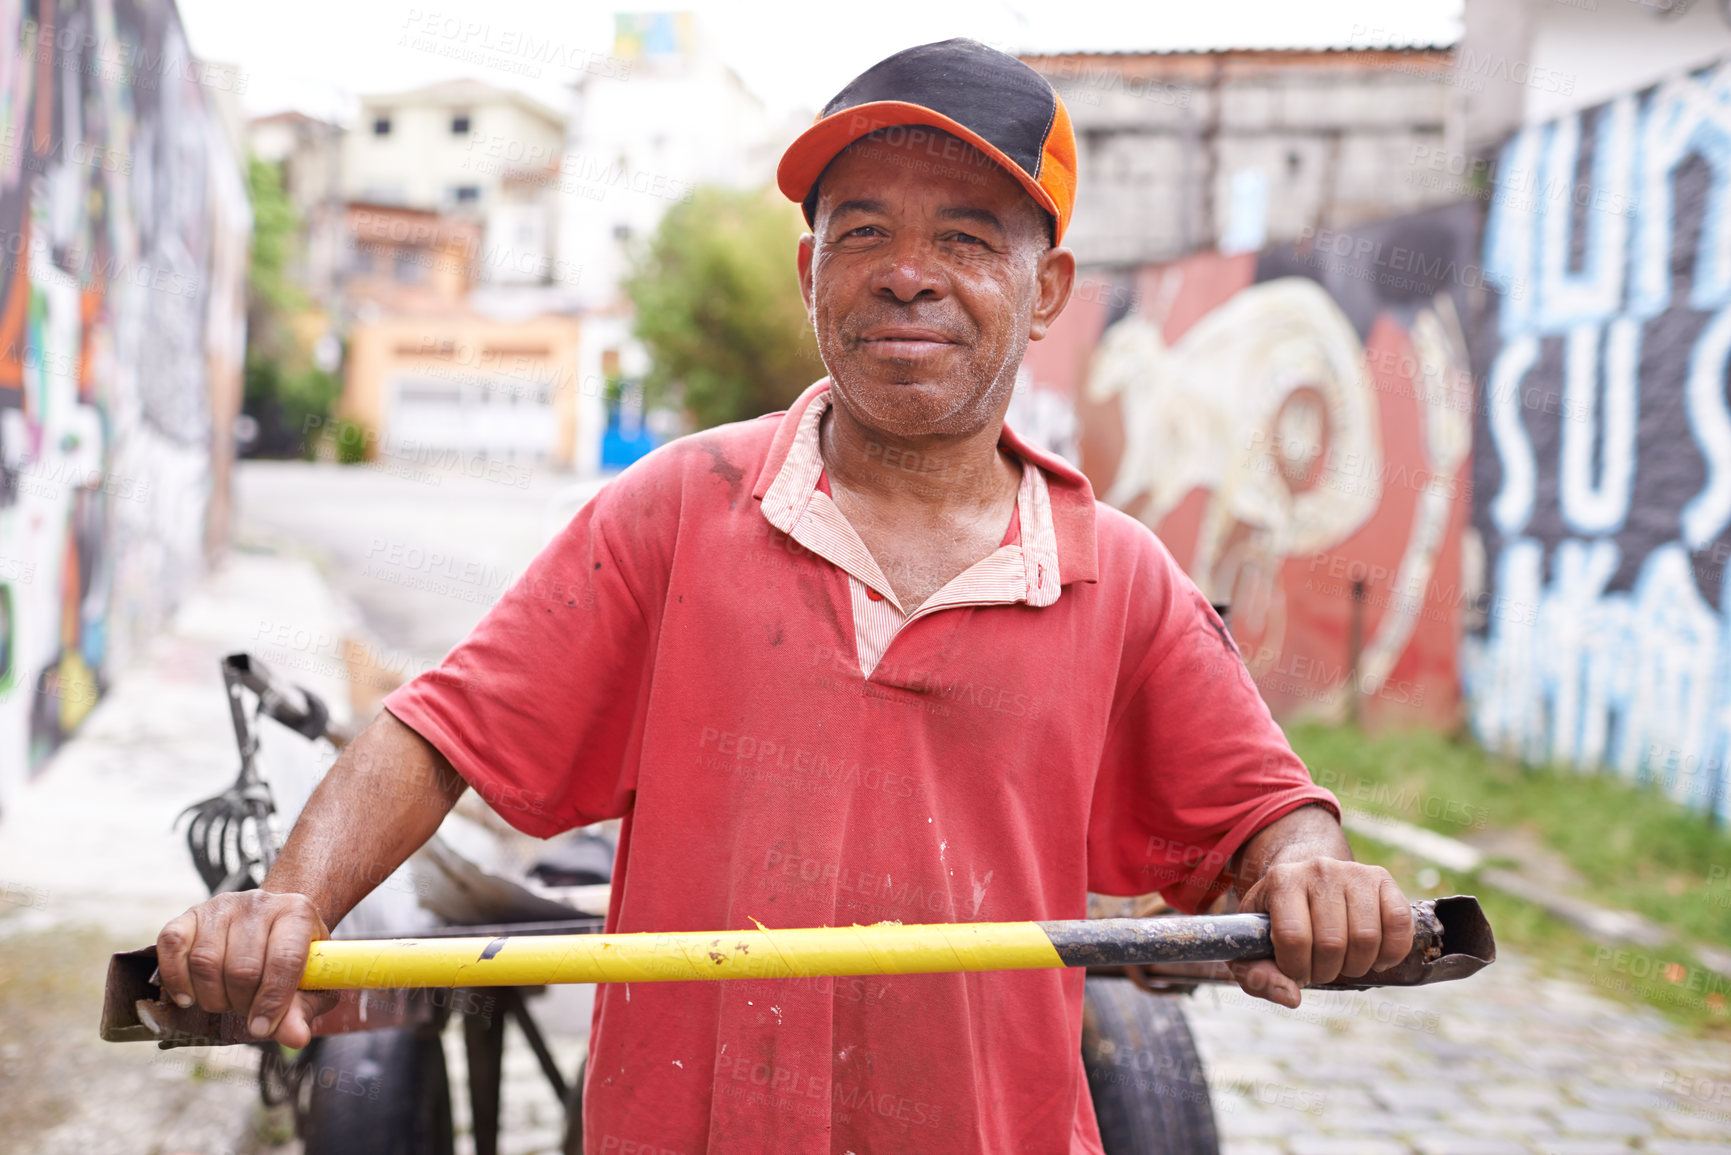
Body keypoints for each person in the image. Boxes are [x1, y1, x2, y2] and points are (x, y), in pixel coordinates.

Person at [156, 38, 1413, 1154]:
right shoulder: (674, 510)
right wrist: (290, 902)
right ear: (813, 271)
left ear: (1047, 293)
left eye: (967, 238)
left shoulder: (1120, 577)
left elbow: (1267, 813)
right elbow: (440, 733)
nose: (906, 274)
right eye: (864, 233)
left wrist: (1316, 875)